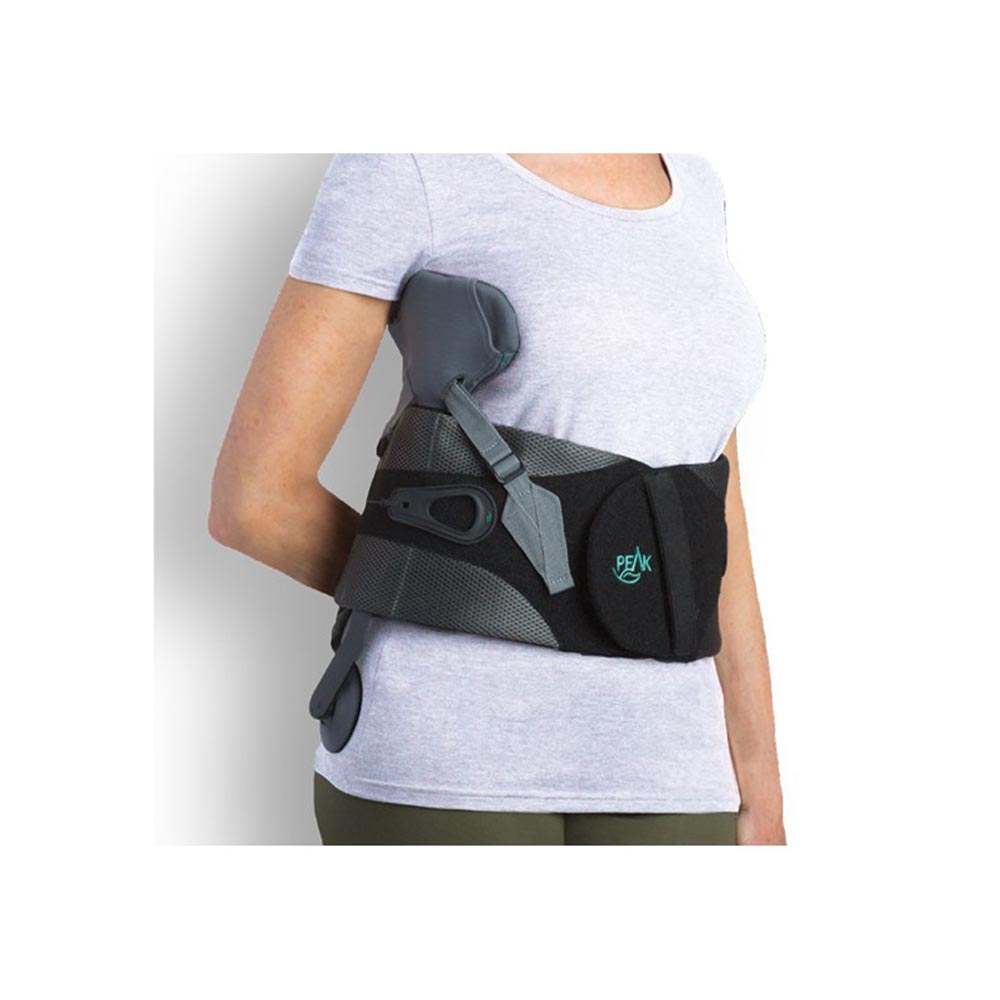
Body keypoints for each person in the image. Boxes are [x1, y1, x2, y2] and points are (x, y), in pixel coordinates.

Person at [210, 154, 785, 846]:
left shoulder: (696, 187)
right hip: (449, 760)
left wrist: (761, 782)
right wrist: (462, 586)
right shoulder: (409, 164)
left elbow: (709, 499)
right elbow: (256, 501)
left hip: (675, 764)